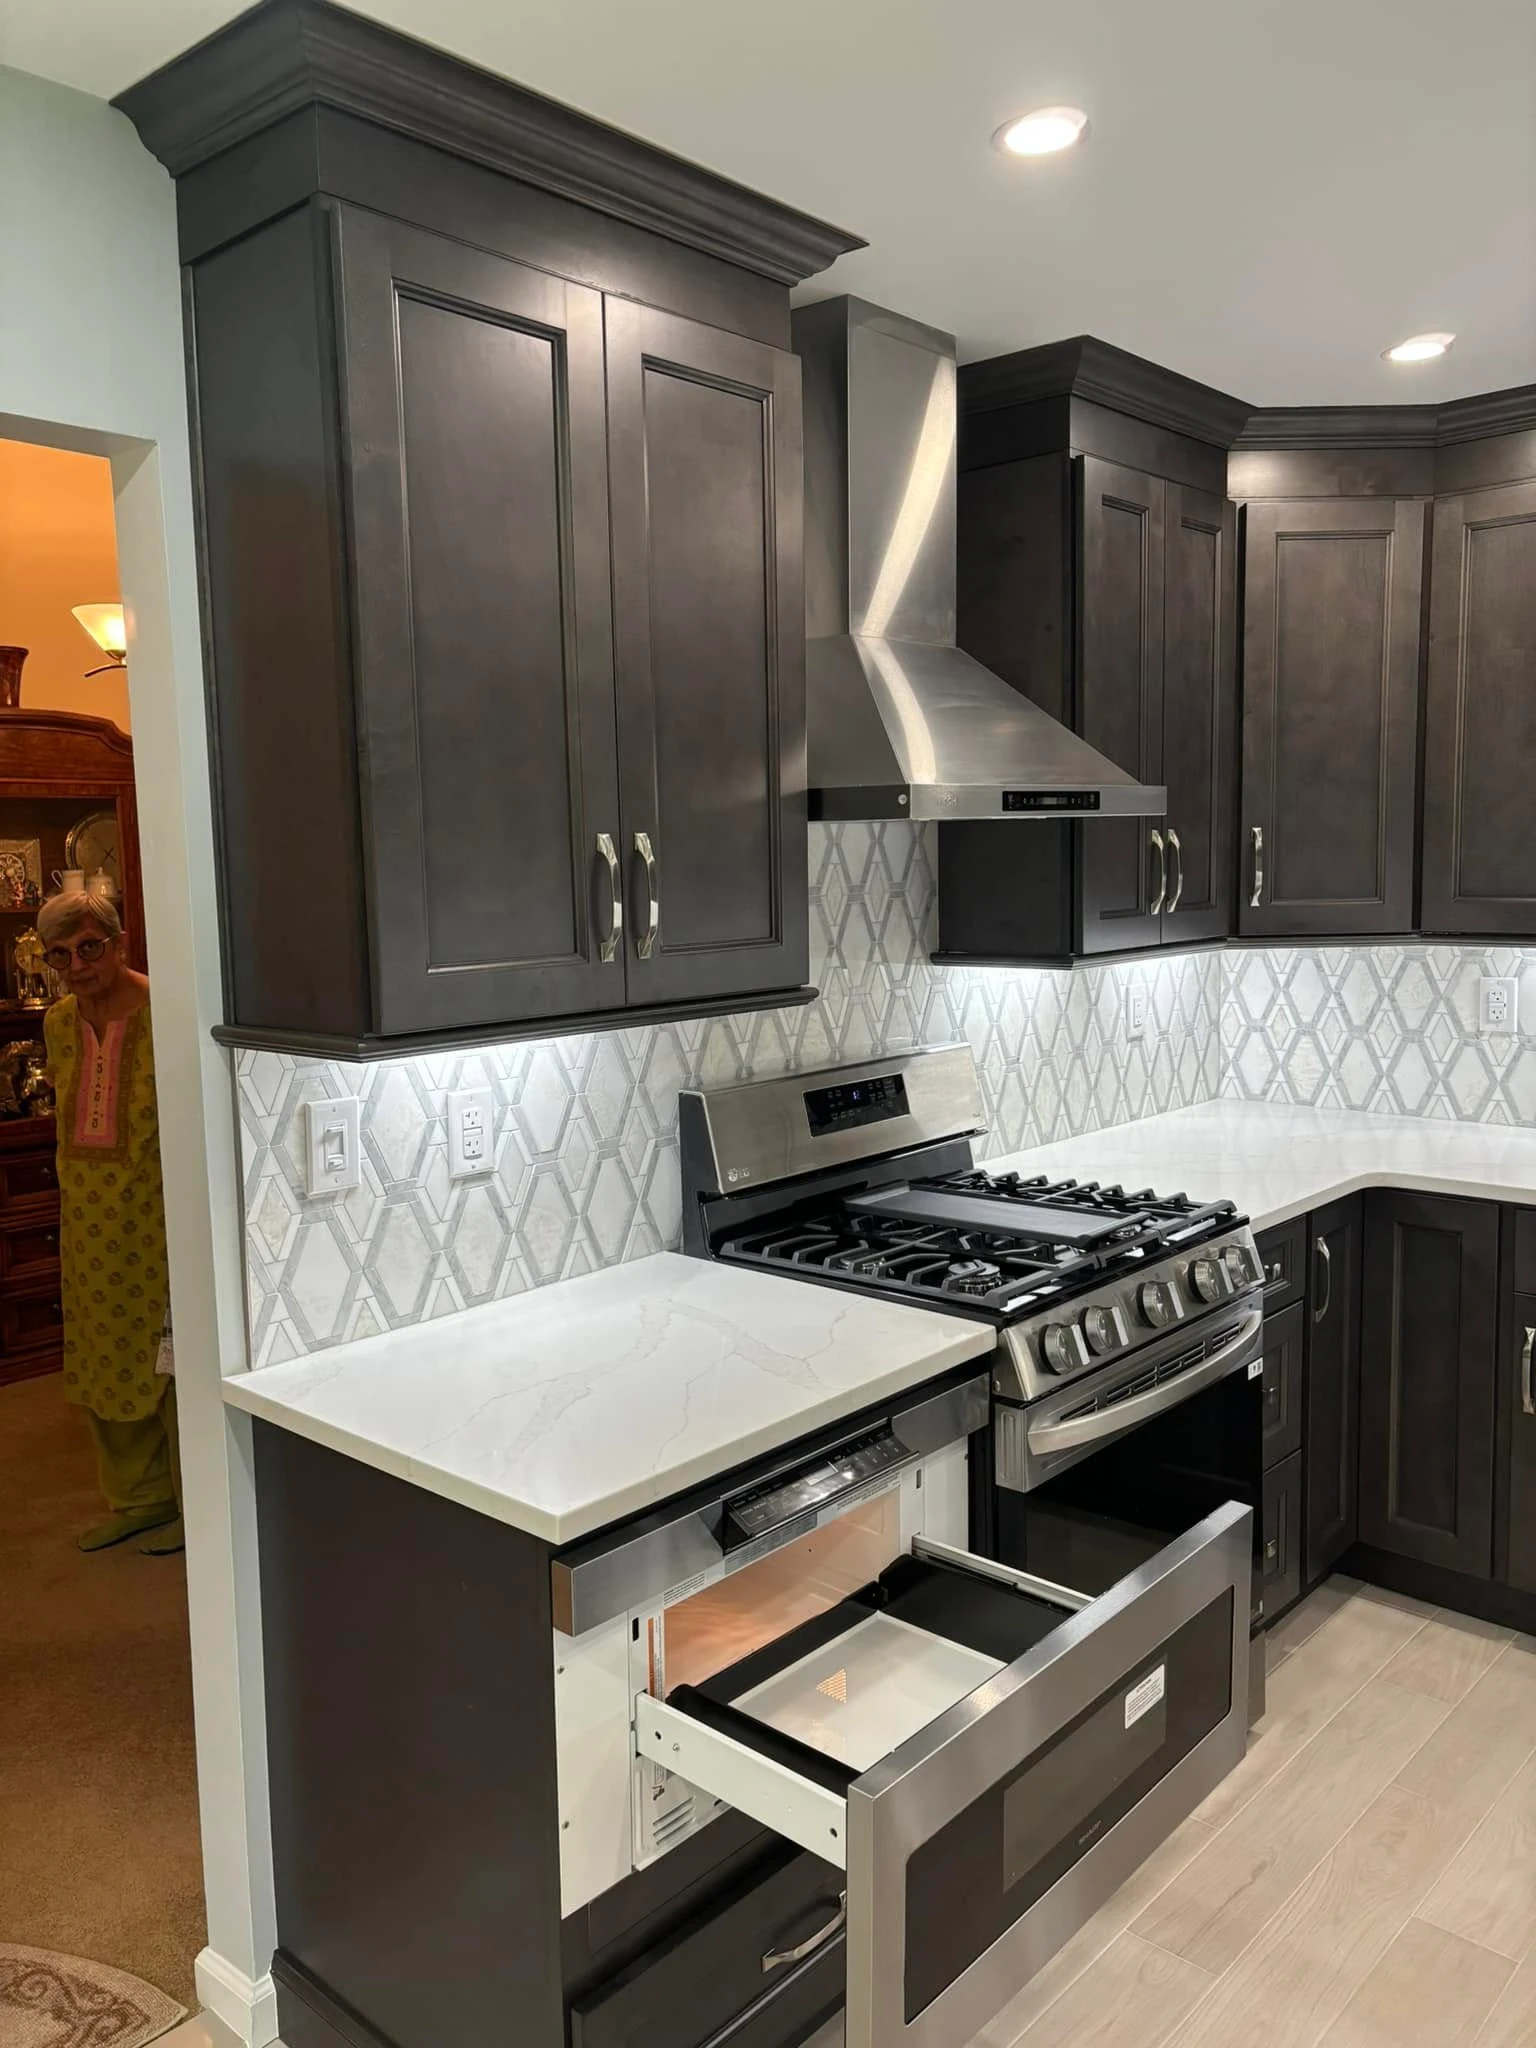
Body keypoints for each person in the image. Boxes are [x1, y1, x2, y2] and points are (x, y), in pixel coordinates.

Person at [37, 889, 180, 1555]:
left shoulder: (165, 1009)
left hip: (159, 1216)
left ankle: (193, 1499)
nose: (78, 965)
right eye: (60, 955)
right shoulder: (58, 1023)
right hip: (88, 1216)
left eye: (90, 946)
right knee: (102, 1356)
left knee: (172, 1361)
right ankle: (138, 1499)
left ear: (119, 943)